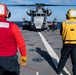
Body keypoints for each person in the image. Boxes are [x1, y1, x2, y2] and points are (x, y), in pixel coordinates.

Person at [0, 3, 27, 75]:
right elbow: (21, 44)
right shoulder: (13, 27)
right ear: (7, 13)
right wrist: (23, 56)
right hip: (10, 61)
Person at [57, 8, 76, 75]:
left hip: (66, 44)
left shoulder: (63, 23)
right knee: (75, 61)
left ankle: (59, 70)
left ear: (68, 15)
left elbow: (61, 33)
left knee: (63, 58)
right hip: (75, 45)